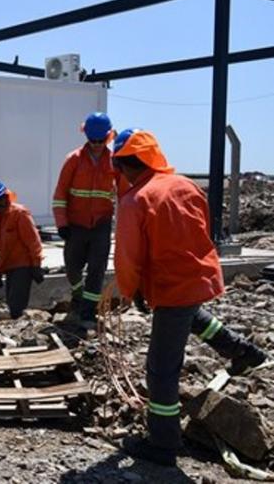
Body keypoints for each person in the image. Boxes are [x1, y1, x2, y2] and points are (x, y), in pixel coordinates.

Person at [111, 128, 269, 467]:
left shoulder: (135, 200)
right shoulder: (184, 184)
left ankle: (164, 443)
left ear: (123, 166)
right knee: (191, 316)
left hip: (172, 287)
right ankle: (244, 352)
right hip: (199, 277)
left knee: (160, 370)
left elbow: (128, 258)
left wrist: (131, 291)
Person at [52, 112, 116, 330]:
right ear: (86, 136)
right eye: (93, 140)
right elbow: (60, 194)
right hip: (76, 224)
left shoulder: (115, 162)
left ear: (108, 137)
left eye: (101, 140)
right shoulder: (74, 160)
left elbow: (124, 193)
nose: (97, 145)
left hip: (101, 224)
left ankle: (88, 312)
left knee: (97, 270)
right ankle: (78, 295)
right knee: (72, 267)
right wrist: (62, 224)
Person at [0, 180, 44, 319]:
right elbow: (1, 249)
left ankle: (22, 334)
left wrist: (36, 265)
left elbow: (33, 241)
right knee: (12, 304)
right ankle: (18, 331)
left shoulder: (20, 214)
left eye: (1, 199)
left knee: (17, 307)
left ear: (7, 196)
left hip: (23, 266)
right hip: (10, 268)